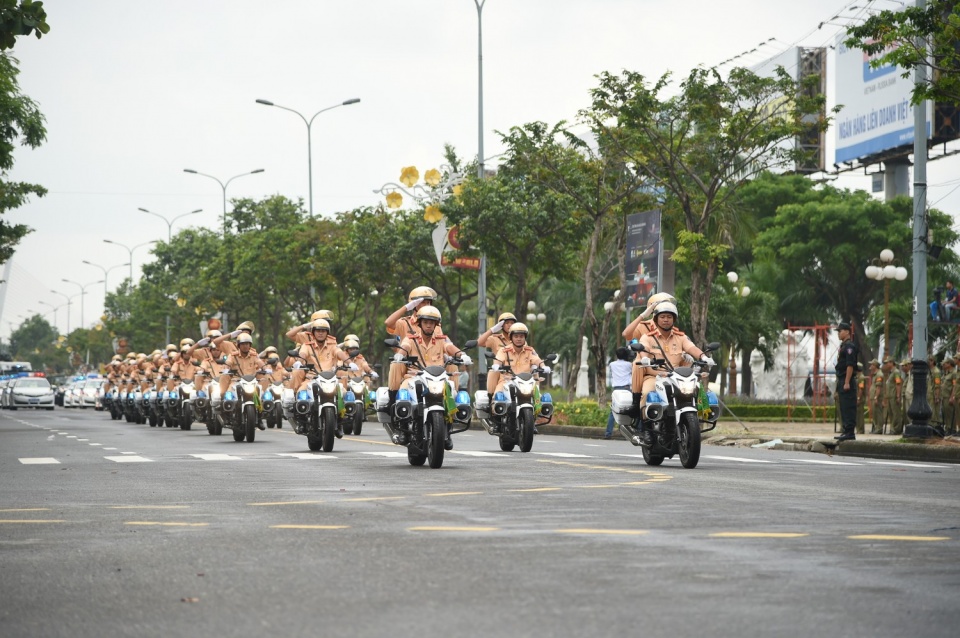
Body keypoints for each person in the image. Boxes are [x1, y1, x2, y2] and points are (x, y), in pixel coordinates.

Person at [388, 305, 471, 450]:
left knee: (451, 393)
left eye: (431, 323)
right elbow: (405, 346)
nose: (428, 325)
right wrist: (400, 354)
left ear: (436, 325)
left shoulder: (441, 339)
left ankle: (447, 431)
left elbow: (449, 347)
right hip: (415, 376)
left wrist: (462, 355)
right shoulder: (411, 338)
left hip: (438, 378)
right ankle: (403, 429)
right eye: (425, 322)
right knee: (403, 392)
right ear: (420, 323)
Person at [635, 302, 713, 446]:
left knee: (695, 391)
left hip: (676, 377)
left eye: (669, 317)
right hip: (655, 376)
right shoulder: (648, 337)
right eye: (662, 317)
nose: (666, 320)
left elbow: (692, 348)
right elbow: (643, 348)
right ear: (656, 319)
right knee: (646, 393)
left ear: (674, 319)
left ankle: (691, 423)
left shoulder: (681, 337)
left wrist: (703, 357)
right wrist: (645, 358)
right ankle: (646, 430)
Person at [834, 322, 859, 441]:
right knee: (843, 407)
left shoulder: (849, 347)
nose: (838, 333)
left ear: (847, 331)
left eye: (840, 331)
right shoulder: (843, 346)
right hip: (842, 379)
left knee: (848, 406)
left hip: (846, 379)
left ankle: (850, 432)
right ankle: (846, 430)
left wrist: (847, 382)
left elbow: (850, 365)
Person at [605, 346, 633, 439]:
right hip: (626, 389)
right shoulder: (629, 365)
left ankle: (608, 433)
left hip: (616, 389)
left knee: (613, 411)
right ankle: (628, 433)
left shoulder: (612, 364)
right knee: (629, 411)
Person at [882, 356, 903, 436]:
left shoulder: (896, 372)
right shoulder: (890, 373)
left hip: (894, 396)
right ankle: (892, 428)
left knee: (896, 413)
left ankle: (896, 429)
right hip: (890, 396)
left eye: (887, 363)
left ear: (891, 363)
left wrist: (898, 396)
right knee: (891, 413)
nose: (886, 364)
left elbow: (898, 384)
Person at [868, 359, 884, 434]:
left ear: (875, 366)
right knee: (874, 413)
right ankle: (875, 427)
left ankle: (879, 428)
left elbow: (878, 387)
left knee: (878, 413)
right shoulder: (875, 374)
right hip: (873, 396)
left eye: (872, 365)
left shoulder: (879, 375)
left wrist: (876, 397)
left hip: (876, 397)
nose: (870, 366)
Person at [899, 358, 914, 428]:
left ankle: (912, 426)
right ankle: (909, 427)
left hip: (911, 396)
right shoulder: (908, 374)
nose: (902, 368)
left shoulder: (913, 373)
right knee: (907, 413)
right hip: (907, 396)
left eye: (905, 365)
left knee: (911, 413)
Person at [855, 362, 866, 435]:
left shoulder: (861, 377)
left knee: (860, 415)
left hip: (860, 399)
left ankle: (861, 429)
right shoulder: (857, 377)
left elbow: (861, 389)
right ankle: (858, 429)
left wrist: (858, 398)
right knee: (857, 415)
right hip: (857, 398)